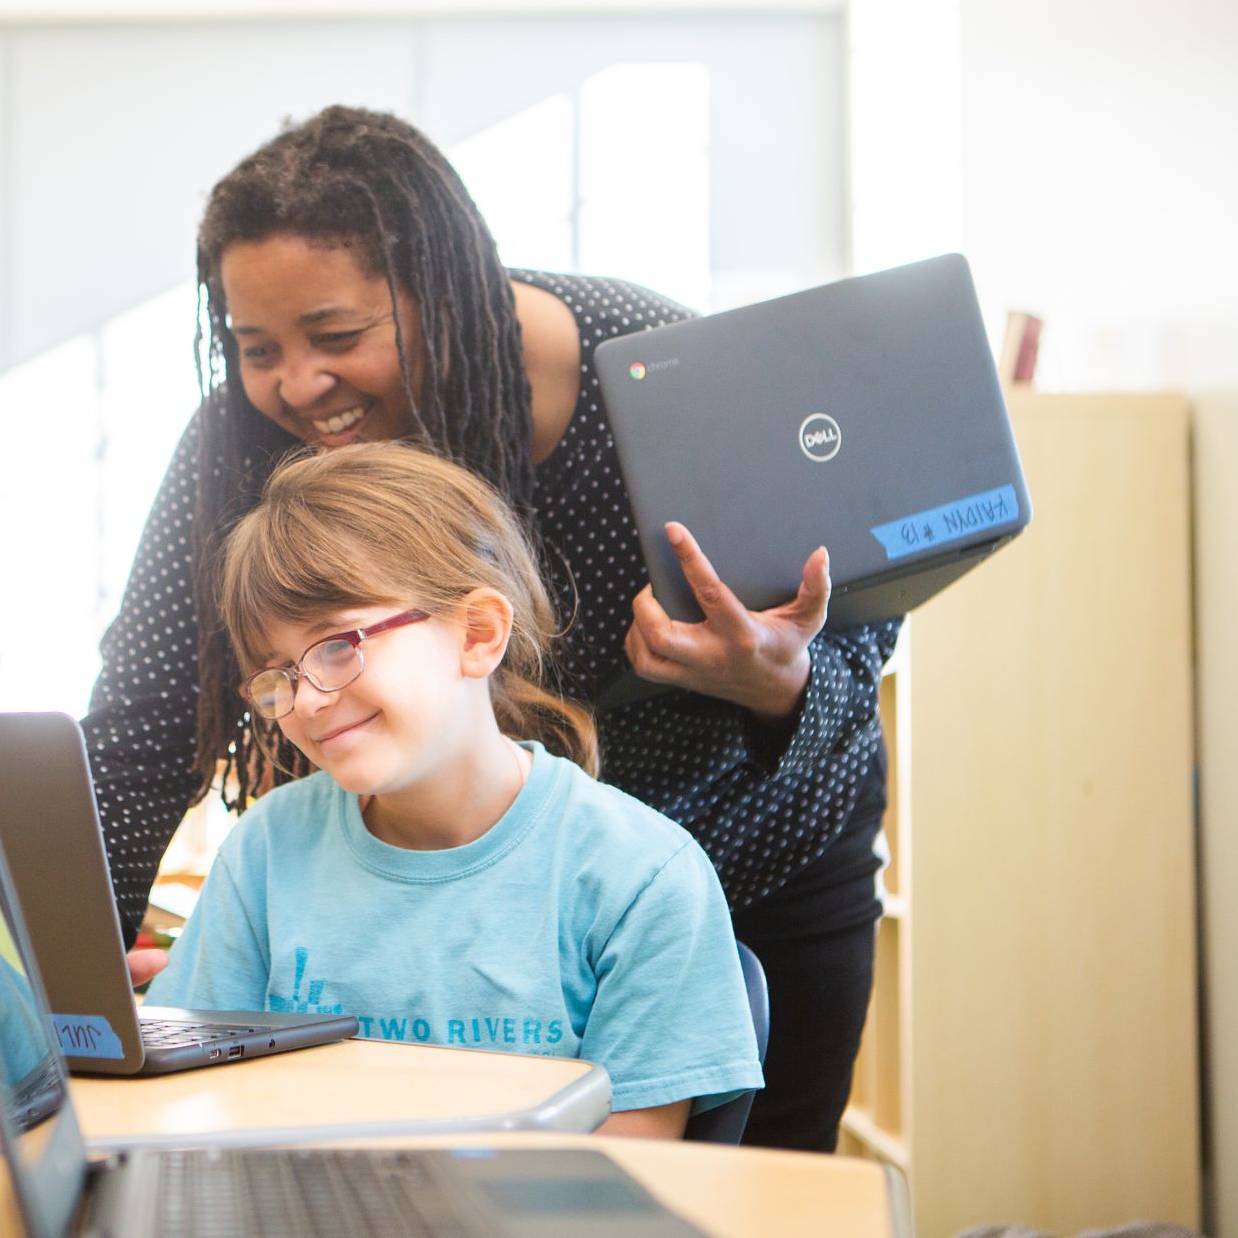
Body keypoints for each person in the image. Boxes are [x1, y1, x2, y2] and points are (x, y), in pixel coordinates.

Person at [86, 105, 898, 1152]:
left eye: (337, 335)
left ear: (456, 301)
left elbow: (848, 639)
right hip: (421, 889)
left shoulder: (656, 374)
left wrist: (770, 677)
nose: (296, 383)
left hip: (730, 856)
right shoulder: (246, 441)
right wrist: (82, 971)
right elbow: (141, 722)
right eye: (254, 346)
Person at [145, 443, 762, 1137]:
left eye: (337, 647)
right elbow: (190, 1108)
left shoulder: (643, 877)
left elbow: (625, 1184)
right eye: (277, 674)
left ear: (478, 633)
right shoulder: (267, 846)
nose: (307, 701)